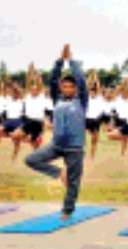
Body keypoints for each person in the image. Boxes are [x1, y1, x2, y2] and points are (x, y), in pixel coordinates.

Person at [24, 44, 87, 221]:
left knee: (74, 182)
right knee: (31, 159)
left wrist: (71, 61)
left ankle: (67, 210)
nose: (67, 89)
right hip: (56, 145)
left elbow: (81, 80)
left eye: (70, 87)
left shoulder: (81, 101)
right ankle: (59, 173)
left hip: (74, 148)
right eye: (64, 86)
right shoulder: (57, 98)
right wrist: (60, 61)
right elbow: (53, 80)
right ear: (61, 88)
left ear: (75, 89)